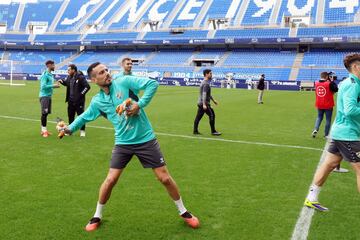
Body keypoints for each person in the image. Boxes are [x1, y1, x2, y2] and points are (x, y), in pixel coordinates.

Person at [59, 62, 199, 231]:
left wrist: (139, 105)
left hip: (145, 139)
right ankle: (97, 215)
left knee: (165, 178)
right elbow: (84, 117)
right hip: (123, 143)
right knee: (110, 180)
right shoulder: (97, 101)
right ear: (94, 79)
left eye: (106, 70)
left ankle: (183, 211)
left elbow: (152, 84)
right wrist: (69, 129)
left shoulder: (123, 81)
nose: (107, 73)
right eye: (101, 72)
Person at [304, 53, 360, 211]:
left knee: (330, 164)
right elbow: (350, 110)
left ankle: (311, 198)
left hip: (342, 131)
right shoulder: (352, 84)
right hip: (347, 134)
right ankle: (311, 198)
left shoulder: (351, 82)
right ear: (355, 67)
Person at [58, 64, 90, 137]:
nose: (68, 71)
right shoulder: (69, 77)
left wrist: (81, 95)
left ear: (73, 70)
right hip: (71, 101)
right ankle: (70, 131)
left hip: (79, 101)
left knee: (81, 116)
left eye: (69, 70)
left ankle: (82, 131)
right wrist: (62, 81)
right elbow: (67, 83)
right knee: (70, 116)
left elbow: (87, 87)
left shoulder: (80, 77)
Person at [193, 69, 221, 136]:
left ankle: (195, 131)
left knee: (198, 117)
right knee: (212, 115)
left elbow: (208, 94)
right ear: (206, 74)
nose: (211, 74)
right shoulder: (206, 83)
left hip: (201, 103)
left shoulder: (205, 82)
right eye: (210, 73)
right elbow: (204, 94)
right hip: (203, 103)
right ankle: (213, 131)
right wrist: (204, 104)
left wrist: (213, 100)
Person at [311, 72, 338, 138]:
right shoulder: (329, 83)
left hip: (319, 103)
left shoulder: (316, 83)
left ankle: (315, 129)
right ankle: (326, 134)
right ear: (326, 77)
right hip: (328, 104)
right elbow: (336, 89)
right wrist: (332, 81)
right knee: (328, 119)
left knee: (319, 117)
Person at [39, 60, 60, 137]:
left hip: (48, 96)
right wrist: (54, 86)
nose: (54, 66)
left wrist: (55, 85)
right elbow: (43, 86)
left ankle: (44, 130)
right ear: (48, 65)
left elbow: (49, 86)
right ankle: (44, 131)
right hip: (44, 96)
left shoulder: (50, 75)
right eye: (53, 65)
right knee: (44, 113)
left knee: (46, 113)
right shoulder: (45, 75)